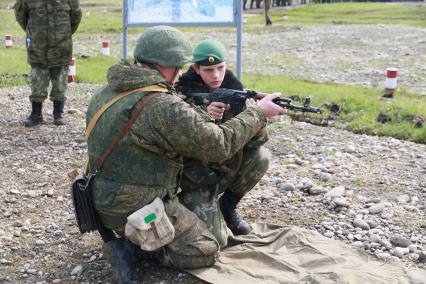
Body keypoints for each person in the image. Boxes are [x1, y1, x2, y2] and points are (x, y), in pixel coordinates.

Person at [85, 26, 283, 282]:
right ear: (162, 65)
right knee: (206, 250)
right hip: (136, 206)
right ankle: (130, 249)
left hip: (99, 193)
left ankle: (205, 213)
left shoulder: (109, 90)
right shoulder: (160, 104)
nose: (179, 73)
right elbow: (218, 145)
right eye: (177, 66)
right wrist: (257, 113)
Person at [175, 39, 271, 247]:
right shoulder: (180, 97)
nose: (216, 75)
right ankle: (184, 207)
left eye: (220, 68)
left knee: (262, 156)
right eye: (209, 70)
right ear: (196, 68)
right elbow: (180, 142)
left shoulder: (235, 92)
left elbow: (258, 142)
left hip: (222, 170)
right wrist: (202, 115)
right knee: (218, 241)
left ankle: (227, 207)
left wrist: (255, 117)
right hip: (193, 180)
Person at [14, 0, 82, 127]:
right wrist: (35, 33)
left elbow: (76, 17)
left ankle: (58, 114)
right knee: (37, 81)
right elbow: (21, 16)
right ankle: (36, 114)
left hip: (61, 46)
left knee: (60, 82)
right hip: (39, 46)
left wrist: (64, 33)